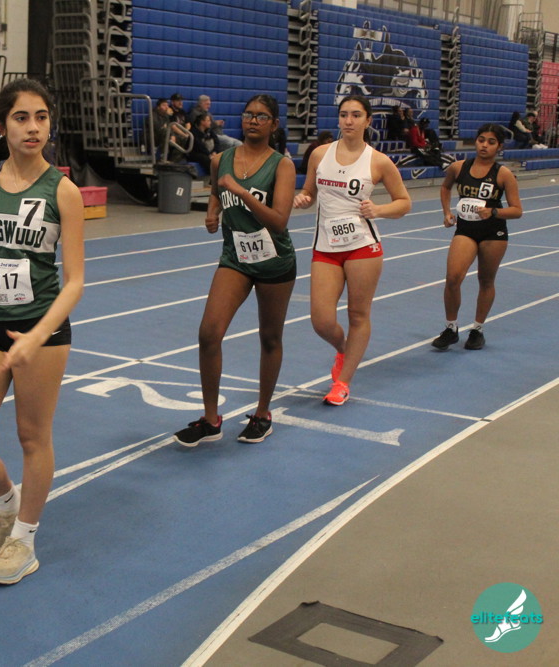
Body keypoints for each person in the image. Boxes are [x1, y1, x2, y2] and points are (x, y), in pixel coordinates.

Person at [0, 78, 84, 584]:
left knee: (32, 437)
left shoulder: (62, 191)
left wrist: (37, 335)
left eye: (41, 117)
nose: (33, 127)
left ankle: (24, 540)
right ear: (1, 125)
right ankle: (8, 505)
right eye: (21, 117)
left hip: (40, 329)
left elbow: (75, 280)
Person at [174, 94, 297, 446]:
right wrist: (212, 211)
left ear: (274, 124)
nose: (253, 121)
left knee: (270, 337)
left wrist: (242, 193)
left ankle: (262, 413)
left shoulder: (281, 166)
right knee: (209, 333)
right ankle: (210, 420)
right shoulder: (221, 160)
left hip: (274, 260)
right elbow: (217, 191)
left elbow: (279, 221)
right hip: (235, 258)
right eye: (248, 114)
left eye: (261, 116)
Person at [294, 95, 411, 406]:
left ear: (368, 120)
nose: (349, 120)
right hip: (326, 247)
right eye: (344, 114)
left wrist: (379, 210)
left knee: (358, 314)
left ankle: (343, 381)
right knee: (321, 320)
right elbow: (308, 191)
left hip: (362, 246)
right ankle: (344, 349)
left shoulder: (378, 161)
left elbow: (404, 203)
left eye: (356, 115)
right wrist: (304, 199)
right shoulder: (320, 154)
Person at [431, 124, 522, 351]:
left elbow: (517, 210)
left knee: (486, 280)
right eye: (481, 140)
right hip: (466, 230)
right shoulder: (459, 167)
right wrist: (446, 212)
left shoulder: (503, 174)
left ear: (499, 146)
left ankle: (477, 330)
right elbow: (445, 187)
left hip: (493, 232)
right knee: (453, 277)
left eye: (491, 142)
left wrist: (493, 211)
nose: (484, 145)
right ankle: (451, 328)